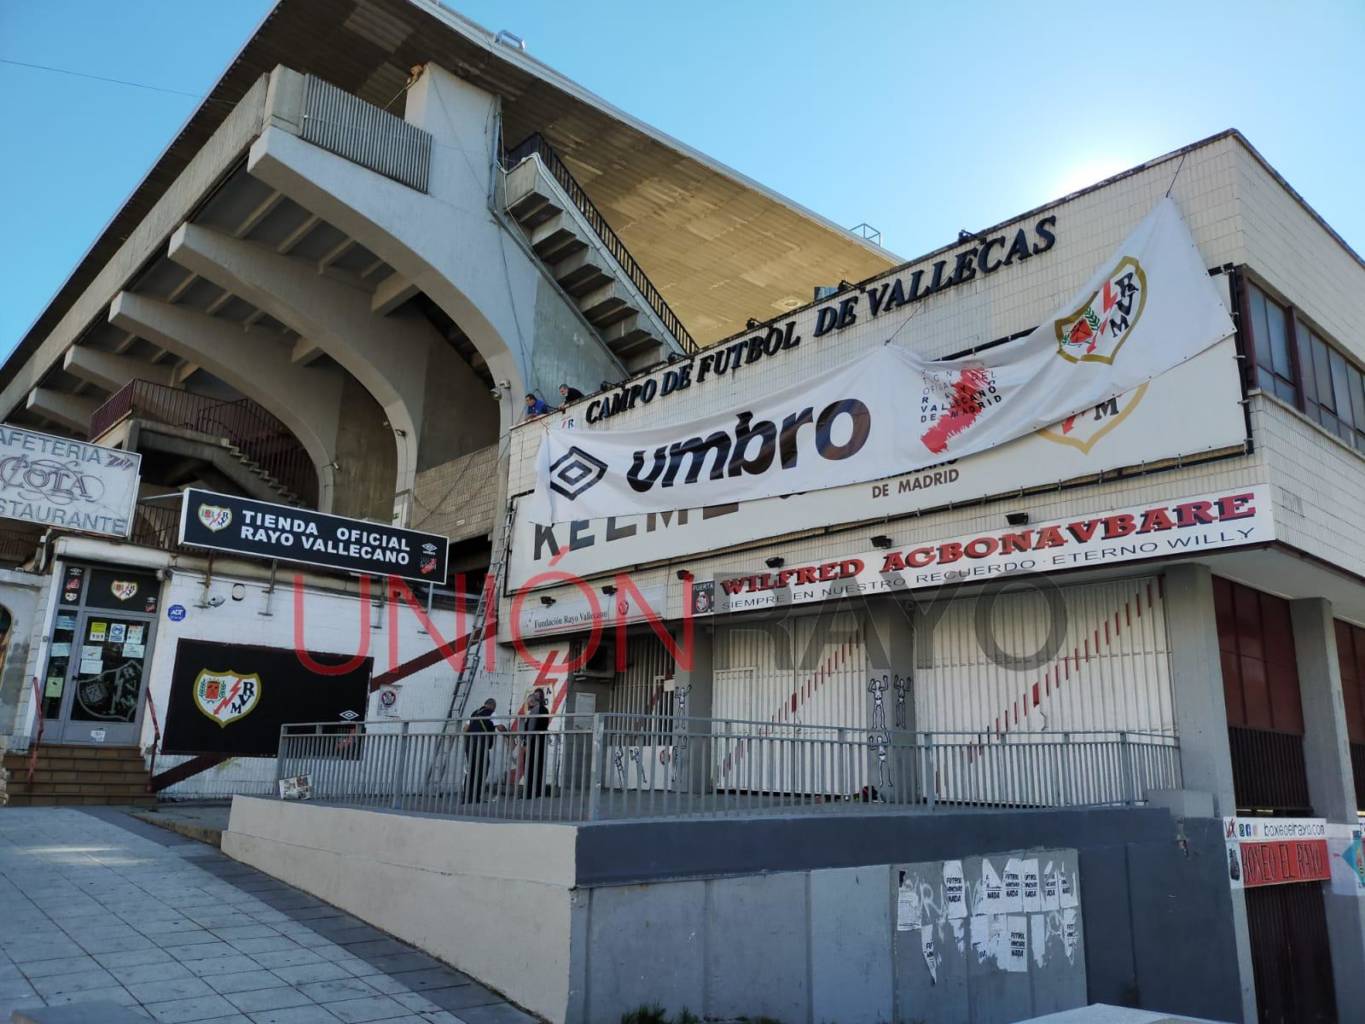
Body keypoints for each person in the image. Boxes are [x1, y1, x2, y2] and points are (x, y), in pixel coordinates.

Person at [463, 698, 500, 802]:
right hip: (482, 745)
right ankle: (476, 797)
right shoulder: (491, 713)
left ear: (484, 704)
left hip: (470, 745)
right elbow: (500, 727)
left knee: (471, 770)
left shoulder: (474, 713)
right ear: (493, 705)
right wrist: (508, 735)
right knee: (482, 770)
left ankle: (467, 797)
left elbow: (465, 728)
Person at [521, 688, 551, 798]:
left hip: (533, 743)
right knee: (536, 767)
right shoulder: (543, 710)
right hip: (538, 742)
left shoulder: (537, 710)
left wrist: (526, 743)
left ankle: (530, 793)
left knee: (531, 767)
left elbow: (531, 728)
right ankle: (535, 792)